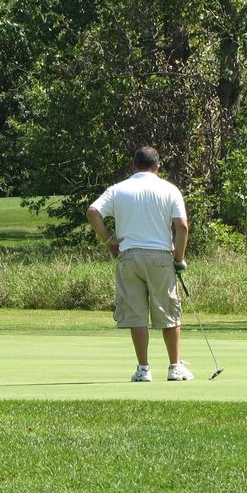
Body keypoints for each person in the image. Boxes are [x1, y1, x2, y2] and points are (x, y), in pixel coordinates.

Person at [87, 146, 192, 381]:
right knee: (168, 312)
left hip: (129, 257)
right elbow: (182, 227)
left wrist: (107, 241)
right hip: (160, 257)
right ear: (158, 166)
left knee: (136, 314)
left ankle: (143, 369)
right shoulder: (169, 189)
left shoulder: (119, 189)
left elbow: (93, 212)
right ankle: (175, 366)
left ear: (134, 166)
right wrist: (178, 258)